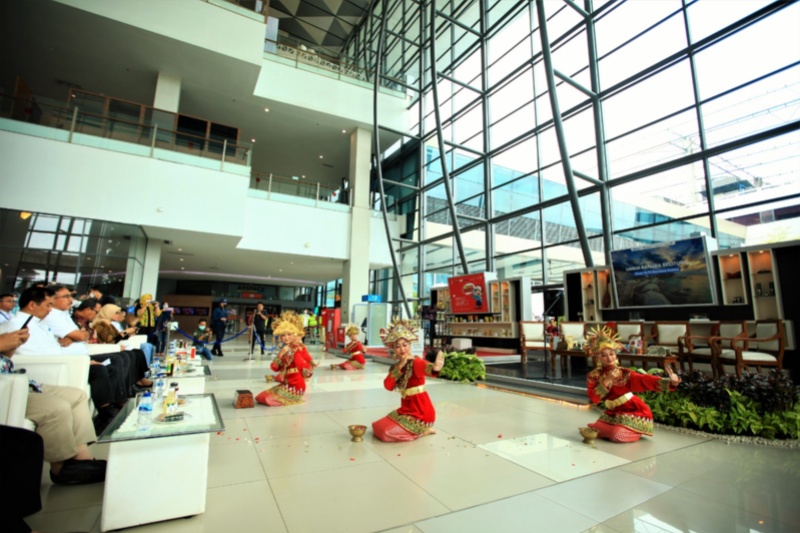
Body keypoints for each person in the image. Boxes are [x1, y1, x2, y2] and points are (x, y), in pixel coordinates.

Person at [0, 332, 106, 486]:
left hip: (18, 381)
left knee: (76, 396)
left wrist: (11, 345)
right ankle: (60, 468)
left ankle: (81, 458)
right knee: (57, 407)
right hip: (7, 387)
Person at [585, 325, 681, 443]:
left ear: (616, 355)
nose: (609, 358)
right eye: (604, 355)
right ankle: (619, 429)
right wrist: (607, 380)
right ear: (598, 357)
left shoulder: (624, 373)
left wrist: (670, 383)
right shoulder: (593, 376)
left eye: (612, 353)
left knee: (616, 435)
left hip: (634, 410)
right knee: (596, 428)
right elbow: (594, 398)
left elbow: (644, 380)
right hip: (614, 411)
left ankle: (631, 430)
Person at [372, 319, 445, 442]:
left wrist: (435, 367)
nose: (402, 349)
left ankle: (421, 432)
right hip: (406, 410)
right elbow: (388, 386)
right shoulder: (396, 367)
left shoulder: (415, 362)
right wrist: (400, 366)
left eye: (404, 345)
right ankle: (415, 431)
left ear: (410, 345)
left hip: (421, 412)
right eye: (397, 346)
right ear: (394, 349)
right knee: (376, 426)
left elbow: (427, 368)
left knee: (385, 433)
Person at [255, 311, 310, 406]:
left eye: (289, 334)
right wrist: (281, 353)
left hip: (296, 385)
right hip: (286, 383)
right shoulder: (285, 349)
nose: (286, 338)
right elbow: (274, 368)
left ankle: (296, 396)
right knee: (260, 397)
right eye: (283, 335)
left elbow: (307, 369)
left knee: (267, 399)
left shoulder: (299, 348)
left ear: (295, 334)